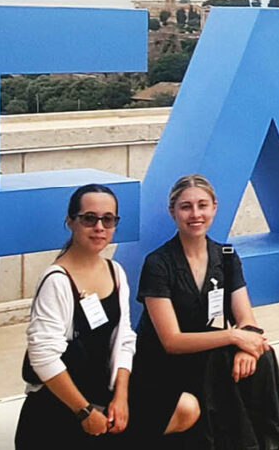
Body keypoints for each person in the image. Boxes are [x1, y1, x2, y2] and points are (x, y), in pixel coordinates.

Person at [15, 184, 197, 447]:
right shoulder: (56, 280)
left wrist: (121, 396)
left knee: (186, 407)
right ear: (70, 222)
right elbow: (42, 356)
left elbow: (124, 338)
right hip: (63, 403)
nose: (99, 227)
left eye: (108, 219)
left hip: (104, 393)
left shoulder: (116, 272)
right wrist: (84, 411)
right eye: (89, 218)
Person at [131, 174, 279, 448]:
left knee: (262, 355)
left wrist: (246, 345)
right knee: (220, 361)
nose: (195, 214)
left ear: (214, 208)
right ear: (173, 212)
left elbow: (246, 318)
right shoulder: (158, 263)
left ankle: (269, 442)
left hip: (204, 349)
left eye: (202, 205)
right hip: (162, 361)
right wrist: (234, 338)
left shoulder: (226, 256)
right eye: (186, 207)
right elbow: (171, 341)